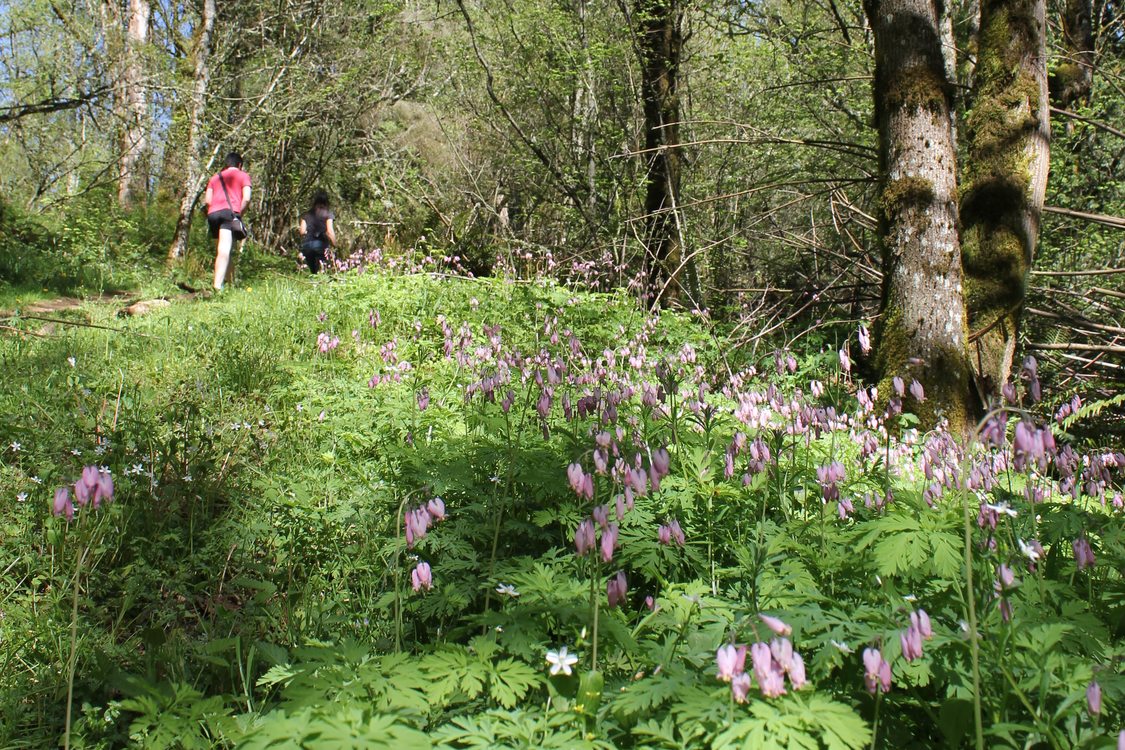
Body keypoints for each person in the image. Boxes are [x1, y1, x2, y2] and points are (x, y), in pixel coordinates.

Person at [204, 152, 252, 291]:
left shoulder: (215, 178)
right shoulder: (243, 175)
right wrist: (239, 213)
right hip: (229, 214)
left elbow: (207, 200)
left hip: (213, 214)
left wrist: (213, 210)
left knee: (223, 250)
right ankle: (217, 287)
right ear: (240, 165)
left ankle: (230, 285)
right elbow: (247, 198)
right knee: (224, 250)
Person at [298, 190, 337, 273]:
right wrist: (334, 244)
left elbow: (301, 231)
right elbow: (330, 231)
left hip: (307, 245)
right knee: (322, 269)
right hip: (321, 245)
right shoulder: (328, 214)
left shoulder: (306, 215)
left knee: (312, 271)